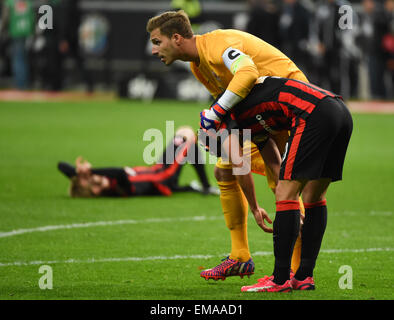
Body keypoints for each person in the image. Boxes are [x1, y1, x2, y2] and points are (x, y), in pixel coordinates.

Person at [146, 10, 308, 281]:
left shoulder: (218, 45)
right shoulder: (198, 65)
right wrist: (220, 132)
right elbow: (235, 110)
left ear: (176, 38)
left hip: (291, 106)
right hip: (262, 113)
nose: (154, 50)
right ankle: (240, 257)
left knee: (280, 184)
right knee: (225, 170)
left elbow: (247, 72)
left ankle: (297, 271)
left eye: (156, 42)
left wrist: (215, 113)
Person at [199, 75, 352, 292]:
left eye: (215, 147)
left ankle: (279, 280)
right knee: (313, 196)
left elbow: (240, 166)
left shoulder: (225, 119)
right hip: (339, 111)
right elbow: (274, 163)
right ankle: (303, 277)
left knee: (285, 192)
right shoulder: (244, 113)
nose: (219, 152)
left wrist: (256, 207)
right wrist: (290, 202)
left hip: (312, 114)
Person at [58, 126, 219, 197]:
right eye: (92, 181)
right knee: (188, 135)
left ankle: (197, 187)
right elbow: (120, 173)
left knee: (183, 133)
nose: (94, 178)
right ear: (95, 192)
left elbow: (61, 165)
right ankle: (205, 186)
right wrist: (91, 171)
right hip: (164, 175)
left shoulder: (110, 182)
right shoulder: (119, 189)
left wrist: (76, 172)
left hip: (159, 168)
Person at [0, 0, 34, 90]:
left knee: (17, 59)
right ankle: (25, 82)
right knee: (24, 58)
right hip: (27, 32)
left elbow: (5, 18)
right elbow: (32, 17)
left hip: (15, 32)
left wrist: (3, 30)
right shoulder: (28, 3)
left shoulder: (10, 3)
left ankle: (20, 84)